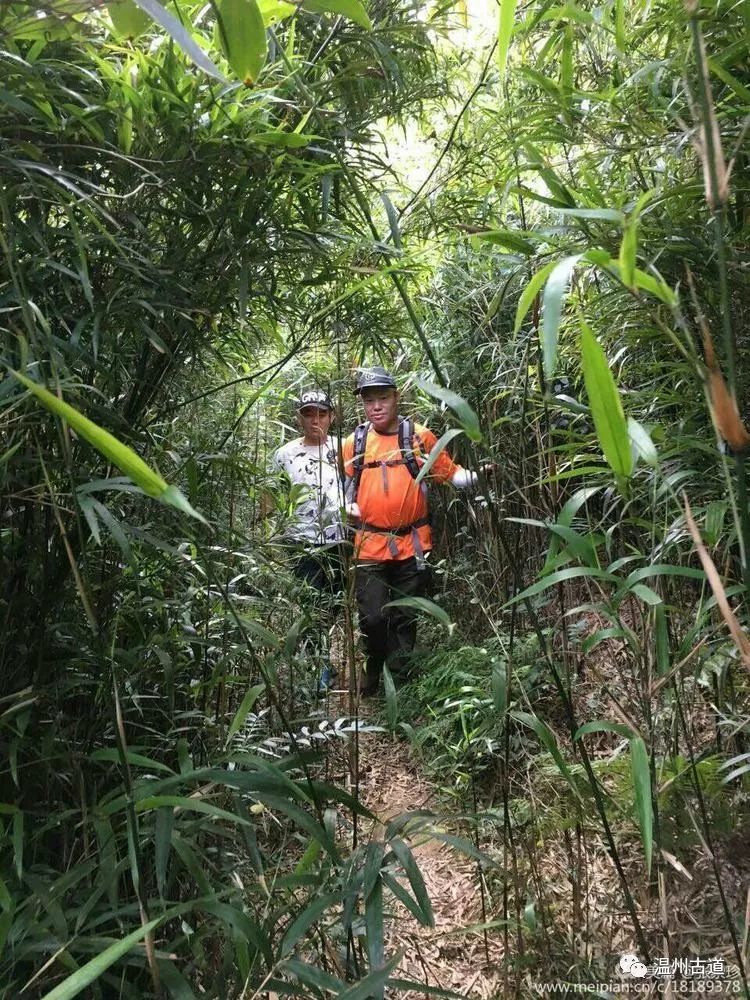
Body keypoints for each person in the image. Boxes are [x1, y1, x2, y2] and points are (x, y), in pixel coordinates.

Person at [342, 367, 488, 696]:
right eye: (369, 401)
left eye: (382, 398)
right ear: (363, 405)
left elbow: (454, 477)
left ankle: (400, 683)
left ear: (396, 398)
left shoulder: (420, 437)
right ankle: (374, 664)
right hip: (368, 545)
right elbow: (339, 487)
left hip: (413, 544)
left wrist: (482, 474)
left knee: (405, 615)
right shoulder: (355, 442)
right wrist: (344, 507)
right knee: (373, 618)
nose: (376, 406)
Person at [271, 388, 344, 692]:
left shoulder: (344, 448)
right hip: (301, 541)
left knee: (333, 604)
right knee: (311, 605)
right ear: (299, 417)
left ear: (332, 416)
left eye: (322, 413)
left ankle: (323, 659)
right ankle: (321, 666)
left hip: (339, 539)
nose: (316, 419)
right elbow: (274, 495)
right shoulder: (285, 454)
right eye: (308, 413)